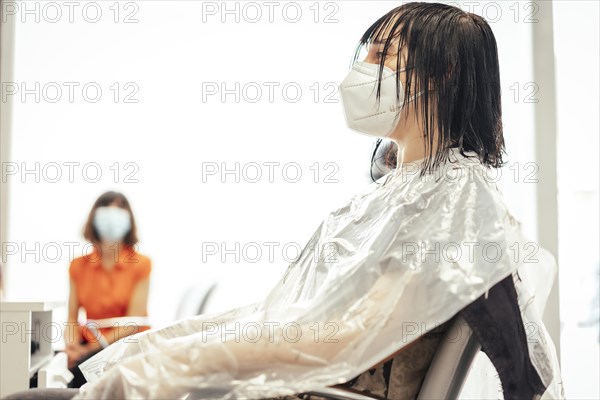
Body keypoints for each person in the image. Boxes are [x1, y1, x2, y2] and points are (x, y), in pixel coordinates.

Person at [2, 3, 564, 400]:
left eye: (383, 53)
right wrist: (174, 348)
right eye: (365, 51)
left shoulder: (456, 203)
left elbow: (346, 338)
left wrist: (185, 362)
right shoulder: (403, 194)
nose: (363, 68)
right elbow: (303, 318)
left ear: (439, 73)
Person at [64, 191, 152, 388]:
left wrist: (90, 350)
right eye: (107, 211)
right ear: (94, 218)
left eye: (119, 211)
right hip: (89, 351)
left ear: (129, 219)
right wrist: (71, 346)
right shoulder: (78, 266)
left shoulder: (142, 264)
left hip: (129, 349)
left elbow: (133, 322)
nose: (112, 218)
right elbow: (71, 317)